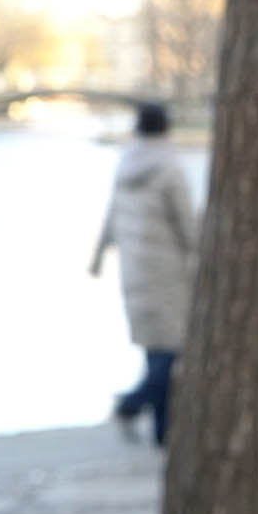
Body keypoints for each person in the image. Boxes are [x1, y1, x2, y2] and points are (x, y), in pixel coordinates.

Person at [89, 101, 197, 447]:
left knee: (156, 349)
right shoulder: (170, 168)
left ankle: (162, 432)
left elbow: (111, 214)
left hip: (133, 269)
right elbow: (187, 225)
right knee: (170, 350)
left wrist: (98, 257)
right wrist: (200, 257)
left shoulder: (126, 163)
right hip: (168, 273)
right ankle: (131, 405)